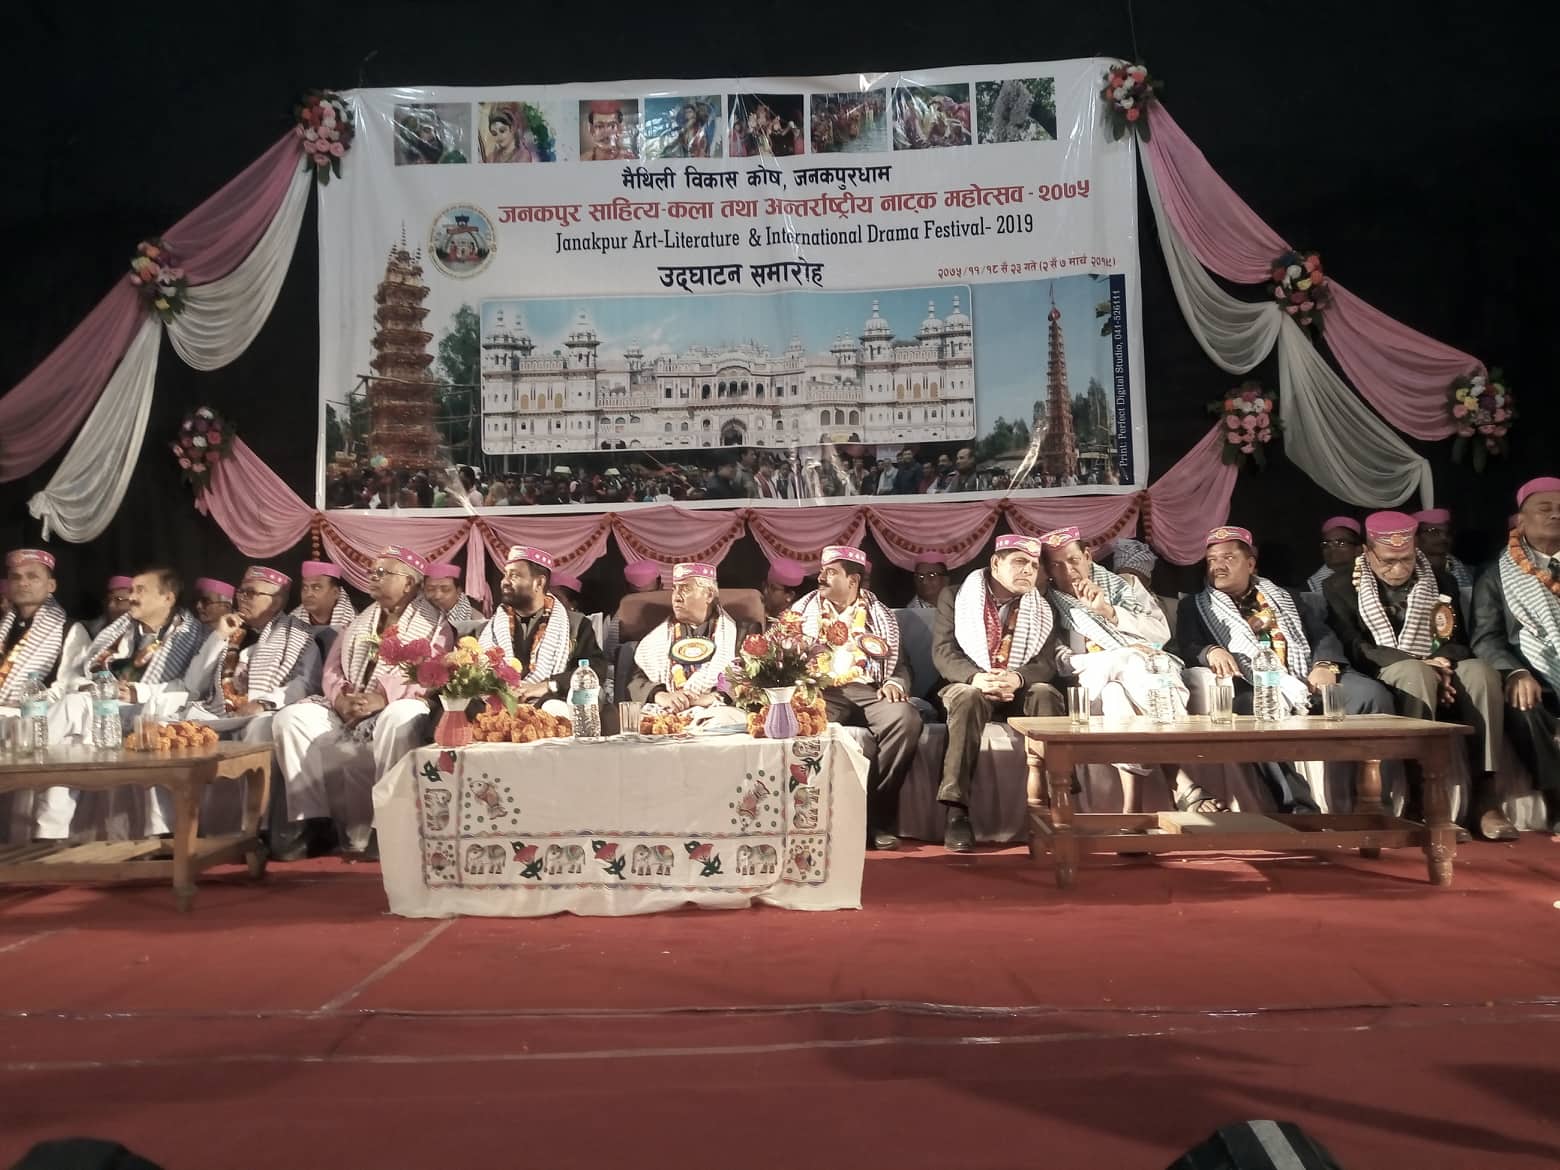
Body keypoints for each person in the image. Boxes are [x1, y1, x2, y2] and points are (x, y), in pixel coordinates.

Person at [1175, 526, 1394, 812]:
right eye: (1212, 560)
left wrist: (1324, 664)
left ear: (1250, 564)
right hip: (1255, 686)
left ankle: (1374, 803)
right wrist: (1209, 650)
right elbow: (1186, 644)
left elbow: (1321, 634)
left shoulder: (1287, 597)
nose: (1218, 566)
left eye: (1228, 558)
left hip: (1308, 678)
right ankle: (1299, 808)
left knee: (1372, 695)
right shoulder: (1195, 606)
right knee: (1252, 710)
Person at [1323, 511, 1513, 840]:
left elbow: (1458, 639)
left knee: (1481, 673)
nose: (1398, 569)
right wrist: (1421, 663)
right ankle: (1421, 797)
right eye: (1388, 561)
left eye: (1406, 559)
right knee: (1416, 674)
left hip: (1438, 662)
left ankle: (1486, 795)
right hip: (1384, 667)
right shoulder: (1339, 586)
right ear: (1367, 552)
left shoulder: (1440, 579)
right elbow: (1355, 647)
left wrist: (1443, 660)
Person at [271, 546, 456, 859]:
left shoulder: (436, 627)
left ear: (408, 583)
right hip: (351, 707)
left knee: (403, 714)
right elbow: (332, 669)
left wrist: (382, 698)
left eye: (383, 573)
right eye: (373, 571)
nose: (373, 577)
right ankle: (312, 823)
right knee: (291, 719)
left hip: (395, 705)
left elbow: (432, 673)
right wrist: (341, 698)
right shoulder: (360, 621)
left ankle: (386, 826)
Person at [1041, 526, 1225, 814]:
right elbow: (1060, 661)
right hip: (1092, 680)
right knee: (1130, 663)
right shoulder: (1046, 603)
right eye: (1057, 565)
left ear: (1088, 557)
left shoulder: (1124, 586)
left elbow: (1159, 634)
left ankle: (1132, 811)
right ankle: (1180, 781)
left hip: (1143, 678)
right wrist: (1118, 656)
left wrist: (1108, 611)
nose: (1069, 570)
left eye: (1074, 560)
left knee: (1117, 696)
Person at [35, 568, 206, 840]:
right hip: (107, 707)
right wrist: (95, 687)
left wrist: (138, 692)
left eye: (140, 591)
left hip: (157, 708)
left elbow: (189, 687)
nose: (131, 597)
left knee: (74, 708)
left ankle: (162, 836)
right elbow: (82, 674)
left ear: (167, 598)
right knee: (68, 742)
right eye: (132, 590)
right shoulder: (122, 630)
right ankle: (48, 834)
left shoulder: (192, 635)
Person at [932, 535, 1063, 851]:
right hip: (970, 684)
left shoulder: (1043, 608)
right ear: (995, 563)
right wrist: (977, 678)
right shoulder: (955, 596)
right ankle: (956, 812)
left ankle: (1058, 803)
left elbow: (1045, 663)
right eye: (1019, 562)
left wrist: (1017, 678)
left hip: (1016, 688)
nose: (1028, 571)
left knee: (1045, 693)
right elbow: (943, 652)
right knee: (967, 697)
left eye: (1033, 565)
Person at [788, 545, 922, 849]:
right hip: (821, 690)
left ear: (853, 580)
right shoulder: (801, 613)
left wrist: (895, 681)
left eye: (831, 572)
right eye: (821, 571)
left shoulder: (880, 616)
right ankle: (809, 821)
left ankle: (876, 819)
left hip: (869, 689)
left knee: (905, 719)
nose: (821, 577)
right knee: (797, 722)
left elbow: (901, 664)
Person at [1472, 477, 1560, 834]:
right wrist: (1514, 672)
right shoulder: (1496, 574)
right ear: (1520, 521)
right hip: (1535, 675)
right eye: (1545, 508)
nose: (1555, 515)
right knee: (1522, 704)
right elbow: (1486, 637)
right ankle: (1558, 801)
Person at [181, 567, 321, 744]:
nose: (241, 598)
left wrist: (263, 703)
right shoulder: (231, 630)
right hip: (219, 715)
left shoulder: (300, 635)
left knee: (260, 727)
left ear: (275, 602)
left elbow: (306, 683)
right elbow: (193, 684)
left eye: (250, 593)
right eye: (240, 592)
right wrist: (219, 636)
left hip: (264, 714)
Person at [477, 546, 604, 704]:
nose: (505, 581)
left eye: (514, 575)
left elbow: (596, 669)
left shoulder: (576, 626)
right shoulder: (489, 630)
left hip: (549, 705)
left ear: (539, 582)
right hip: (496, 706)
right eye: (505, 574)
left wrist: (548, 685)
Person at [627, 562, 737, 711]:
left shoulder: (737, 634)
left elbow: (745, 679)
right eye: (674, 589)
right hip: (667, 711)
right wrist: (661, 696)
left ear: (709, 595)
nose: (676, 597)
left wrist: (711, 698)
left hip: (715, 710)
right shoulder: (656, 639)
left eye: (686, 589)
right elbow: (636, 681)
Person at [0, 550, 67, 711]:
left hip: (39, 717)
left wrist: (27, 703)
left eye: (32, 576)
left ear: (51, 585)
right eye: (15, 577)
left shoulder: (69, 629)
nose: (23, 583)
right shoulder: (4, 627)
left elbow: (70, 685)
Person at [58, 575, 134, 683]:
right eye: (108, 600)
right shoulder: (85, 629)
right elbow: (70, 674)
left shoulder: (141, 634)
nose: (111, 605)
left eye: (119, 600)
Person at [1414, 508, 1475, 591]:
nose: (1444, 537)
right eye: (1433, 531)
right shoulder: (1406, 572)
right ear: (1415, 537)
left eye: (1448, 532)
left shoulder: (1471, 573)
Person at [1306, 517, 1362, 593]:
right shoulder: (1311, 588)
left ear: (1358, 550)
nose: (1332, 548)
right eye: (1326, 544)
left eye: (1341, 543)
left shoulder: (1371, 575)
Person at [294, 561, 355, 629]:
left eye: (316, 587)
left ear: (335, 593)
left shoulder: (355, 625)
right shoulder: (292, 623)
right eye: (305, 588)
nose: (308, 594)